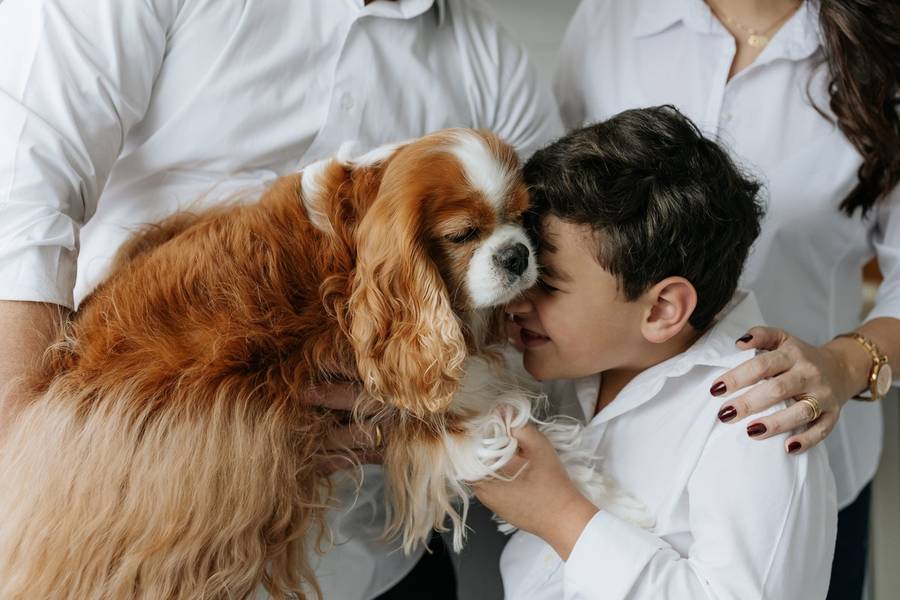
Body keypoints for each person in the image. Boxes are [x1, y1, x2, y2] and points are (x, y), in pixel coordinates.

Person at [0, 1, 562, 598]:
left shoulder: (493, 62)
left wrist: (421, 397)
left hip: (378, 548)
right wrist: (27, 475)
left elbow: (553, 277)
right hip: (138, 533)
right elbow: (19, 199)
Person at [550, 1, 899, 596]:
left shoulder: (885, 50)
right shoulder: (612, 17)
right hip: (607, 454)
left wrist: (842, 367)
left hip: (785, 446)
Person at [478, 105, 837, 599]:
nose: (515, 300)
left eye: (549, 284)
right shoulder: (563, 360)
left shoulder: (753, 424)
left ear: (663, 309)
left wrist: (559, 515)